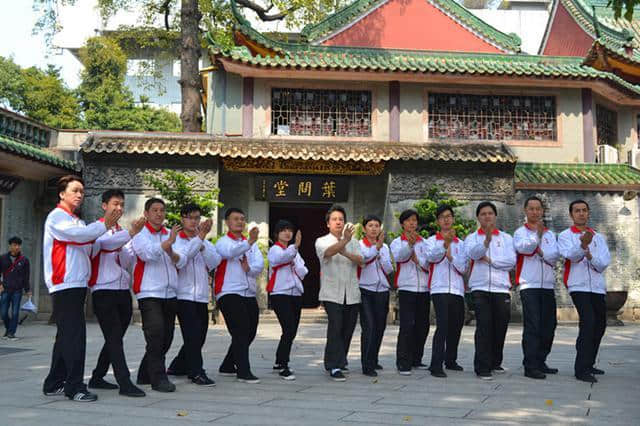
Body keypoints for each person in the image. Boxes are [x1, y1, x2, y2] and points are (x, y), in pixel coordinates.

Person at [42, 175, 120, 402]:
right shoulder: (57, 217)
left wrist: (128, 233)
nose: (79, 195)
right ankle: (74, 386)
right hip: (65, 283)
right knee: (75, 337)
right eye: (75, 190)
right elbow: (79, 237)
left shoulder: (76, 220)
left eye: (82, 192)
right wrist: (104, 223)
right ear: (61, 193)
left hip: (76, 283)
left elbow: (94, 245)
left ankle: (54, 382)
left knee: (66, 335)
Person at [86, 189, 146, 397]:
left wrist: (130, 242)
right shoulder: (96, 229)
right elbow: (104, 245)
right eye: (115, 204)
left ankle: (97, 376)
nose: (119, 208)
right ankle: (124, 382)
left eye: (121, 204)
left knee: (115, 337)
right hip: (103, 289)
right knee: (114, 337)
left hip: (122, 290)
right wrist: (129, 234)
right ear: (104, 206)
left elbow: (128, 261)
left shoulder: (122, 231)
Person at [132, 198, 185, 393]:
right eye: (154, 210)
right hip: (149, 292)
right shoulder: (140, 233)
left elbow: (181, 261)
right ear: (146, 213)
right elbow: (147, 255)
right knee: (155, 336)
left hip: (170, 292)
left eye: (162, 210)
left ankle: (145, 373)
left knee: (167, 337)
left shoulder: (170, 233)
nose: (159, 213)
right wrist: (168, 243)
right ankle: (158, 378)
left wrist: (172, 249)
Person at [558, 200, 611, 383]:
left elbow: (603, 263)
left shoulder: (598, 237)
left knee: (600, 324)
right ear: (571, 215)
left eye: (584, 210)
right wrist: (582, 246)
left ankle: (589, 363)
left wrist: (589, 254)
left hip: (596, 287)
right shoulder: (565, 235)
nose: (581, 213)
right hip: (578, 285)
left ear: (588, 213)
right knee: (588, 322)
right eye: (577, 211)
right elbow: (570, 256)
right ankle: (581, 368)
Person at [167, 203, 220, 386]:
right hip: (183, 295)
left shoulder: (204, 241)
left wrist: (203, 244)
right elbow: (182, 260)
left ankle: (177, 366)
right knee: (192, 335)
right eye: (190, 217)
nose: (194, 221)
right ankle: (196, 372)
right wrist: (199, 239)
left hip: (201, 296)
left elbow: (215, 262)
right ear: (182, 218)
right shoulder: (176, 239)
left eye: (197, 218)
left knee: (200, 335)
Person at [464, 201, 516, 381]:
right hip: (480, 288)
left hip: (500, 288)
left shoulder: (506, 238)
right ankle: (482, 367)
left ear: (495, 216)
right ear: (478, 217)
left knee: (500, 326)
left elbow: (511, 262)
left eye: (490, 213)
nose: (487, 216)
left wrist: (492, 261)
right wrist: (485, 242)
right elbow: (474, 254)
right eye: (483, 214)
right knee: (484, 326)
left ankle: (495, 361)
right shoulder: (472, 238)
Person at [513, 196, 561, 380]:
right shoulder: (520, 232)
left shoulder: (550, 234)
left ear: (542, 211)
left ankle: (541, 360)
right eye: (531, 208)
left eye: (538, 209)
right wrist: (537, 238)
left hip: (547, 285)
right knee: (533, 325)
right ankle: (530, 365)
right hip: (529, 284)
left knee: (549, 325)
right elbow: (523, 248)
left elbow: (554, 256)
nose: (535, 212)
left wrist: (541, 251)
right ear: (525, 211)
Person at [214, 208, 264, 384]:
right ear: (227, 222)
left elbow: (259, 265)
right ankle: (243, 371)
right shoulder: (222, 242)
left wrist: (249, 268)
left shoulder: (252, 244)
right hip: (228, 291)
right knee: (241, 330)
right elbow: (229, 253)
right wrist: (249, 242)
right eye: (236, 219)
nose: (240, 222)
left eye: (242, 219)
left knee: (250, 331)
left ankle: (228, 364)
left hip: (248, 292)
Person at [315, 205, 362, 382]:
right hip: (331, 292)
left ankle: (337, 360)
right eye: (334, 219)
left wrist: (346, 250)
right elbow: (328, 253)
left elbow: (361, 261)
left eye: (341, 219)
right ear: (328, 223)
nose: (338, 222)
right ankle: (335, 365)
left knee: (348, 328)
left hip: (351, 292)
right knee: (335, 327)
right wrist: (343, 242)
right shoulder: (322, 240)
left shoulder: (354, 241)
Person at [425, 205, 468, 378]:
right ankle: (436, 364)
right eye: (442, 217)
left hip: (457, 290)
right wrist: (445, 245)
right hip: (439, 287)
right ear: (438, 221)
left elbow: (463, 268)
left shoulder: (462, 244)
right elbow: (431, 258)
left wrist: (451, 256)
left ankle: (450, 360)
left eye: (449, 216)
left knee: (456, 326)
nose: (446, 219)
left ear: (453, 219)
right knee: (442, 325)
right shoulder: (431, 241)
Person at [390, 209, 430, 375]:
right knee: (407, 325)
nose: (412, 223)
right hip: (407, 288)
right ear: (402, 224)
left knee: (422, 325)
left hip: (424, 289)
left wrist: (418, 261)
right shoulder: (397, 242)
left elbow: (429, 264)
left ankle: (416, 358)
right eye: (408, 220)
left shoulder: (425, 242)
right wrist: (410, 245)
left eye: (414, 220)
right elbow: (400, 257)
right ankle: (403, 361)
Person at [267, 219, 308, 381]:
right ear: (277, 233)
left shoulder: (294, 250)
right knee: (289, 328)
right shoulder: (274, 249)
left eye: (289, 230)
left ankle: (279, 360)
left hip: (295, 293)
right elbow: (280, 259)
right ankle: (283, 364)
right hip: (280, 292)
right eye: (283, 230)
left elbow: (303, 270)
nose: (287, 233)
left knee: (291, 330)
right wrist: (294, 250)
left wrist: (293, 257)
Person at [357, 215, 393, 377]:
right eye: (370, 225)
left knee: (380, 327)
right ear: (364, 229)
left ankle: (373, 358)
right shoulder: (359, 245)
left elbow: (389, 269)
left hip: (382, 290)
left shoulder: (385, 247)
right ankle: (366, 364)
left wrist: (381, 253)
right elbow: (363, 260)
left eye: (376, 226)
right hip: (366, 289)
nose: (374, 228)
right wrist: (375, 249)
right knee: (369, 326)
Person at [0, 236, 31, 340]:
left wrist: (28, 290)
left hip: (17, 290)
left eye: (18, 245)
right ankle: (9, 329)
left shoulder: (24, 260)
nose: (17, 247)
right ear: (10, 246)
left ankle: (11, 333)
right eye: (14, 245)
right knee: (3, 312)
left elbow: (26, 276)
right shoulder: (3, 258)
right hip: (5, 289)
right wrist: (0, 285)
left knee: (15, 312)